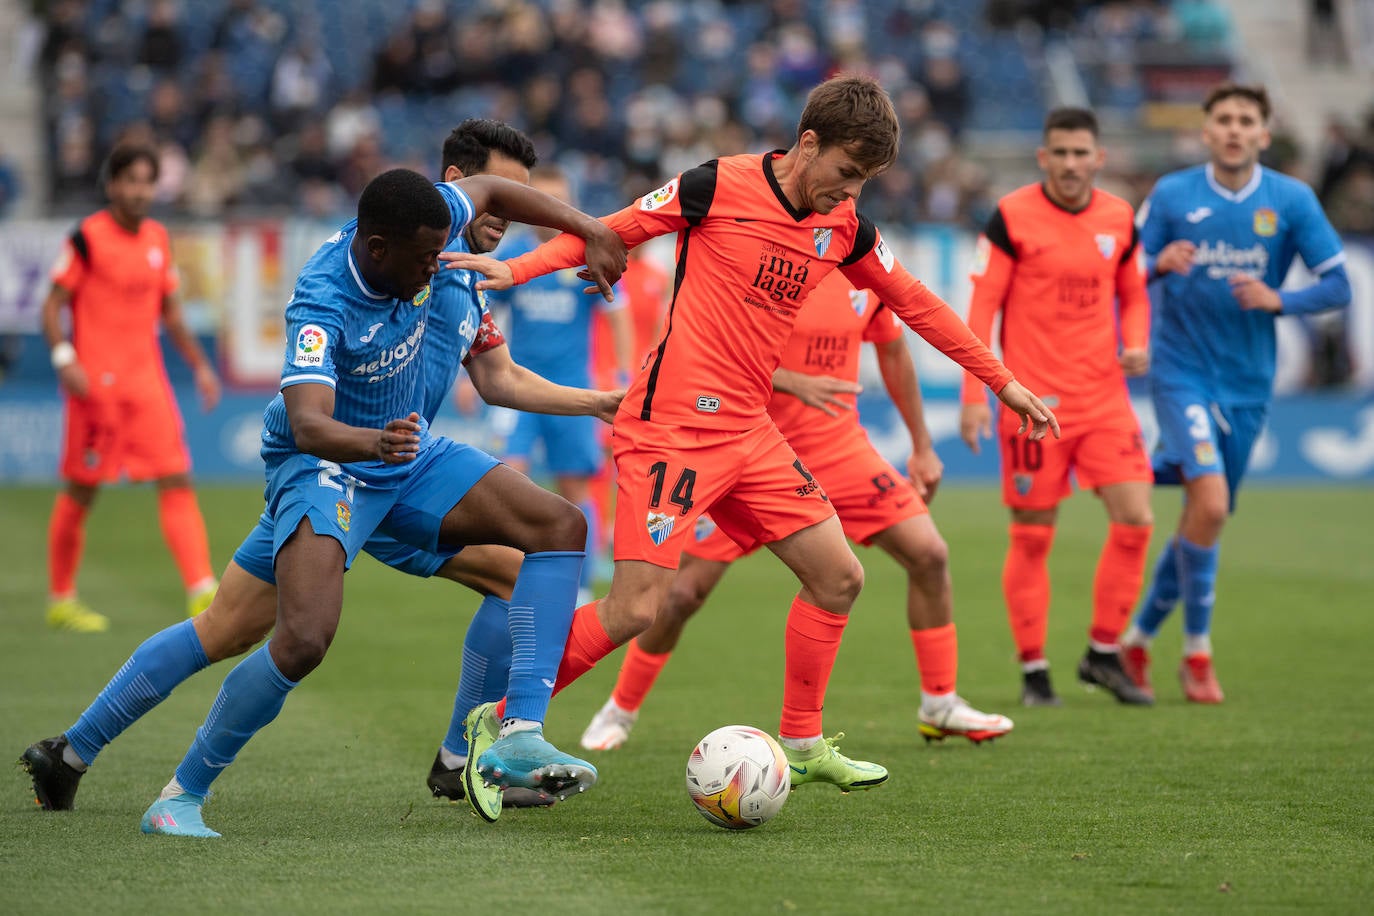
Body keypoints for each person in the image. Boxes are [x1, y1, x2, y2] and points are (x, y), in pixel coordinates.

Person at [448, 75, 1057, 809]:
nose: (849, 193)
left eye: (864, 181)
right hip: (671, 425)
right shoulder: (716, 186)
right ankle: (500, 726)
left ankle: (800, 745)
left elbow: (916, 305)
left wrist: (1001, 380)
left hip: (750, 432)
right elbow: (610, 230)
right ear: (807, 143)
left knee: (839, 577)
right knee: (639, 608)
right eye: (845, 173)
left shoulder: (847, 228)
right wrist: (511, 269)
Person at [18, 121, 614, 818]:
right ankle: (184, 795)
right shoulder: (335, 290)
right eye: (502, 200)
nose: (506, 218)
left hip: (406, 462)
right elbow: (308, 424)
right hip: (332, 466)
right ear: (449, 187)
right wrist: (372, 447)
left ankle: (70, 752)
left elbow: (499, 375)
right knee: (295, 637)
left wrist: (602, 386)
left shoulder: (453, 260)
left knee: (542, 545)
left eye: (519, 202)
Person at [580, 269, 1013, 752]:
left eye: (853, 193)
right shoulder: (768, 266)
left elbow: (893, 351)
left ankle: (940, 702)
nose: (843, 202)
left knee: (929, 553)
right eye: (840, 190)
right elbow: (705, 350)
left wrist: (922, 445)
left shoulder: (864, 272)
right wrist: (791, 382)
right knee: (680, 595)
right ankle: (620, 708)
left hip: (841, 448)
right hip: (749, 451)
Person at [1119, 83, 1351, 702]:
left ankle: (1137, 641)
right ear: (1207, 130)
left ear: (1263, 135)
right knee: (1214, 506)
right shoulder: (1171, 194)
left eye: (1246, 120)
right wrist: (1156, 263)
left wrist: (1282, 299)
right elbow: (1122, 270)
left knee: (1204, 514)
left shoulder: (1290, 200)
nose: (1233, 129)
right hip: (1180, 370)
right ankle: (1198, 653)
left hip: (1249, 383)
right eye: (1223, 119)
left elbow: (1338, 286)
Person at [958, 107, 1156, 708]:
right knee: (1034, 537)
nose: (1071, 164)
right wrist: (975, 395)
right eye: (1060, 153)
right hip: (1033, 406)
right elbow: (981, 308)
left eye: (1081, 153)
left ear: (1099, 158)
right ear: (1043, 158)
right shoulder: (1012, 217)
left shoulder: (1120, 218)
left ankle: (1102, 653)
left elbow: (1134, 291)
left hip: (1104, 399)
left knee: (1136, 519)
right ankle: (1034, 671)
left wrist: (1137, 342)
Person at [41, 142, 222, 632]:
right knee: (82, 489)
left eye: (148, 181)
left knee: (177, 478)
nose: (141, 191)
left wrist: (200, 366)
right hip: (95, 387)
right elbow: (51, 306)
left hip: (147, 385)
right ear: (113, 184)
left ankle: (201, 589)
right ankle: (61, 598)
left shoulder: (158, 238)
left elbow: (171, 311)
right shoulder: (87, 237)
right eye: (132, 181)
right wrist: (64, 357)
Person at [487, 165, 634, 602]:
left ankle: (582, 584)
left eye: (557, 200)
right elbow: (480, 307)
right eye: (541, 200)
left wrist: (625, 372)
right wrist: (468, 367)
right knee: (509, 478)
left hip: (572, 390)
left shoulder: (584, 252)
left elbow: (617, 312)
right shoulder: (511, 254)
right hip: (519, 389)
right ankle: (513, 579)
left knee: (574, 487)